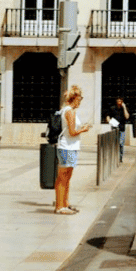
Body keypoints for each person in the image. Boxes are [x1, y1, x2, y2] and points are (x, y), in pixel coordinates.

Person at [53, 86, 91, 215]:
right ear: (74, 98)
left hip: (72, 146)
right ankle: (59, 206)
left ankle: (65, 204)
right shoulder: (70, 111)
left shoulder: (69, 110)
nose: (80, 100)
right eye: (80, 98)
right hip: (66, 146)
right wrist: (84, 130)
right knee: (63, 177)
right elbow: (72, 132)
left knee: (67, 177)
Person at [103, 96, 131, 163]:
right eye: (118, 101)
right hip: (114, 128)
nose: (119, 102)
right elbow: (107, 116)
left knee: (121, 143)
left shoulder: (124, 108)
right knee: (115, 143)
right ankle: (114, 157)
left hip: (122, 128)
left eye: (121, 101)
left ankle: (120, 157)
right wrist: (109, 121)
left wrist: (124, 107)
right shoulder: (113, 108)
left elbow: (127, 117)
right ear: (116, 101)